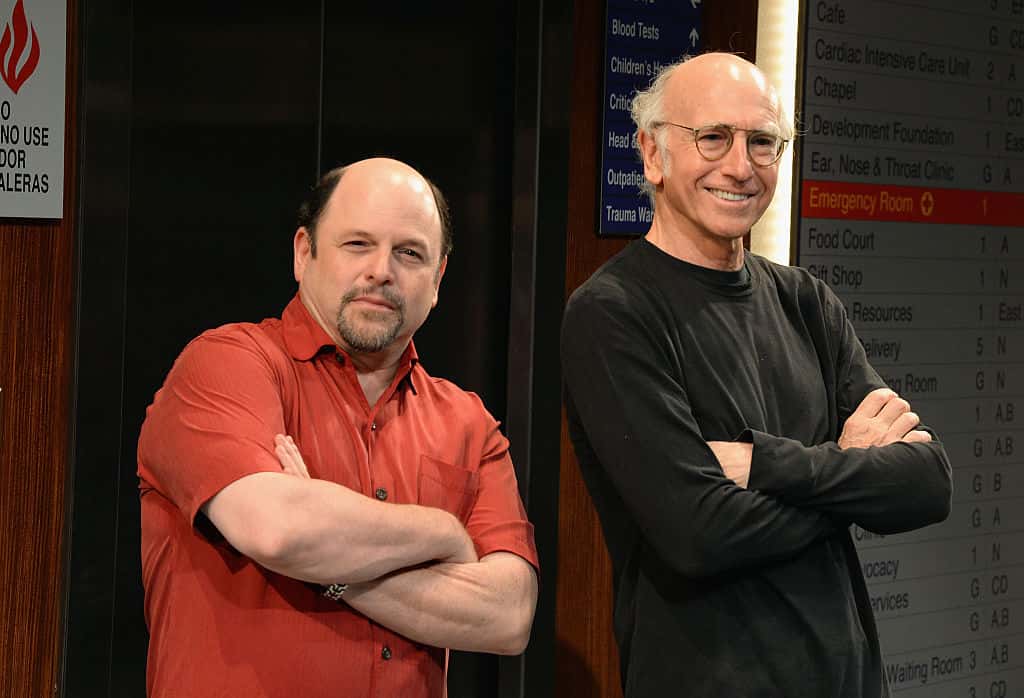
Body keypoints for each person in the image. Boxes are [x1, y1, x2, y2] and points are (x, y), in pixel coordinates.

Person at [561, 53, 952, 697]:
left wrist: (767, 466)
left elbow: (927, 484)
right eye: (712, 137)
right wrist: (851, 468)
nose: (739, 166)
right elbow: (698, 534)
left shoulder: (808, 301)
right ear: (653, 156)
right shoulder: (613, 314)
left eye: (762, 142)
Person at [138, 158, 539, 698]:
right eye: (357, 244)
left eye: (409, 253)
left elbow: (508, 617)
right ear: (304, 253)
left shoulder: (469, 423)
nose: (381, 270)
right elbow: (277, 530)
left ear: (439, 278)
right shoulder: (227, 365)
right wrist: (442, 533)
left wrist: (324, 561)